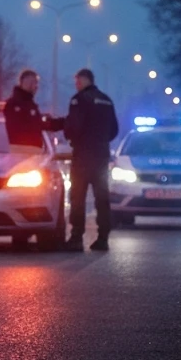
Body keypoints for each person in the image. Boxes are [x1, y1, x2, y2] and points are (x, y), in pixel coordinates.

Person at [58, 68, 119, 252]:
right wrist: (101, 141)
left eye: (77, 81)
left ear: (85, 80)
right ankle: (103, 238)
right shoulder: (106, 100)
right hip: (101, 155)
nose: (76, 85)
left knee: (78, 197)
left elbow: (73, 126)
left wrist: (71, 138)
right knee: (102, 197)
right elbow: (114, 129)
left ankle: (76, 238)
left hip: (83, 156)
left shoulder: (79, 100)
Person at [4, 69, 51, 147]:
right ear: (22, 82)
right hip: (20, 151)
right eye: (31, 82)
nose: (35, 86)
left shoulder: (31, 105)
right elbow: (22, 125)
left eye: (36, 83)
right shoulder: (13, 104)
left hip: (32, 151)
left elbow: (34, 124)